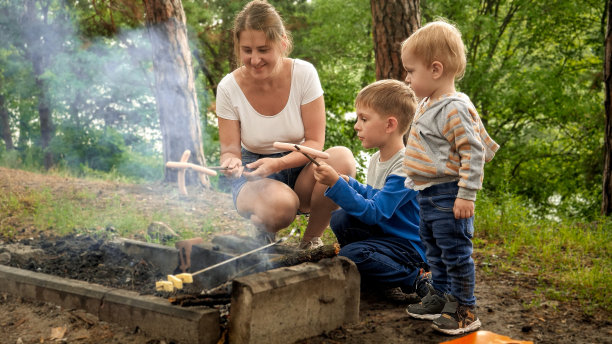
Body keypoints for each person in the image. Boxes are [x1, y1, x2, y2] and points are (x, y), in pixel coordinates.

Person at [215, 0, 355, 249]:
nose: (254, 59)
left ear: (282, 43)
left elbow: (315, 142)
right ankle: (264, 230)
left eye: (263, 49)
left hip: (300, 165)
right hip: (254, 174)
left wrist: (279, 163)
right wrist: (231, 162)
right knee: (281, 207)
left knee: (342, 159)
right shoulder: (228, 87)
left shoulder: (304, 74)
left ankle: (310, 242)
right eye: (247, 50)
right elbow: (229, 150)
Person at [400, 20, 500, 335]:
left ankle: (464, 308)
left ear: (435, 69)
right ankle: (441, 296)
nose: (407, 77)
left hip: (448, 195)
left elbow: (472, 152)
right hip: (428, 194)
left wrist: (467, 194)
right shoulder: (428, 103)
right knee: (434, 250)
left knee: (455, 252)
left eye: (410, 71)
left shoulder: (454, 109)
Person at [313, 79, 431, 303]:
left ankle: (415, 277)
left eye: (364, 119)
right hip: (385, 235)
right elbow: (374, 193)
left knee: (352, 254)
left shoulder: (407, 167)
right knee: (341, 218)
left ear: (389, 125)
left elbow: (375, 212)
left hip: (408, 246)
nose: (357, 125)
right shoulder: (377, 159)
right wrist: (347, 182)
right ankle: (372, 271)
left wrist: (337, 185)